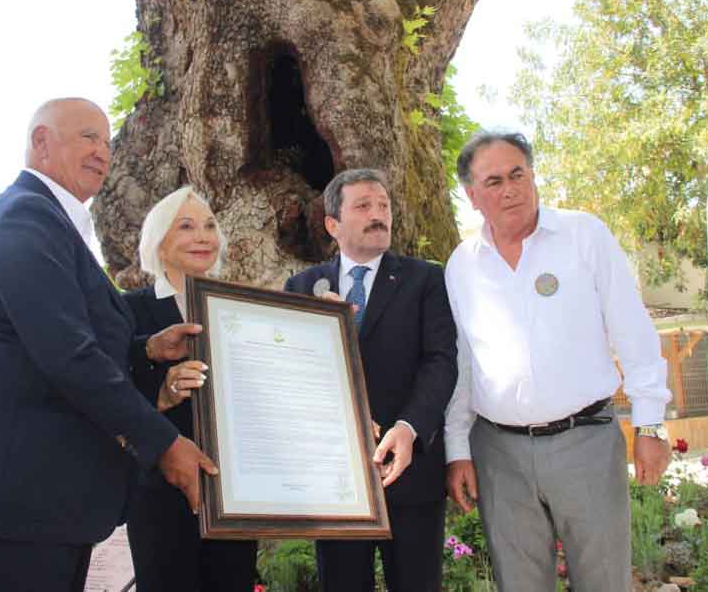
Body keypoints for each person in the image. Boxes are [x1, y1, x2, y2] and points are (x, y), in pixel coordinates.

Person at [0, 98, 217, 592]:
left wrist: (145, 350)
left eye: (107, 141)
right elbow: (67, 354)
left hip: (44, 498)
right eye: (87, 137)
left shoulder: (50, 222)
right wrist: (164, 444)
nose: (103, 151)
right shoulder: (23, 220)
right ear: (41, 143)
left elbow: (62, 340)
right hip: (16, 496)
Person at [444, 132, 673, 591]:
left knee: (603, 580)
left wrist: (650, 426)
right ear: (472, 196)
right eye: (493, 181)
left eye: (518, 174)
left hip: (585, 442)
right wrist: (458, 450)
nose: (510, 189)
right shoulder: (462, 265)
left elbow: (634, 332)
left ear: (532, 176)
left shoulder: (584, 235)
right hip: (498, 453)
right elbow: (463, 367)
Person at [284, 168, 457, 592]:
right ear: (332, 223)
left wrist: (409, 427)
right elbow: (289, 376)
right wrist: (317, 329)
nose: (378, 214)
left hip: (410, 472)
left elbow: (441, 362)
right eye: (363, 206)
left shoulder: (426, 279)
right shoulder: (303, 287)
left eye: (383, 205)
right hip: (335, 480)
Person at [123, 186, 257, 591]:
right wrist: (161, 391)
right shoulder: (130, 310)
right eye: (186, 226)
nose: (203, 236)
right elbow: (113, 393)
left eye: (210, 226)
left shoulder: (242, 308)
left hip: (233, 491)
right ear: (159, 243)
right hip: (160, 491)